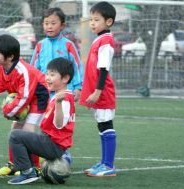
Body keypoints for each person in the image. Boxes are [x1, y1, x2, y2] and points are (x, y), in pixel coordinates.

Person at [0, 34, 49, 176]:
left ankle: (35, 166)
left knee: (27, 131)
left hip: (39, 97)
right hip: (24, 99)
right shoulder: (2, 68)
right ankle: (14, 164)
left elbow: (25, 96)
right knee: (15, 130)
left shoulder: (23, 71)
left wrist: (9, 111)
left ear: (10, 56)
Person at [7, 57, 75, 185]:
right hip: (54, 144)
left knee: (15, 135)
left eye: (52, 75)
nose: (47, 78)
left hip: (54, 146)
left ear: (65, 78)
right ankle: (31, 169)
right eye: (47, 74)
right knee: (25, 136)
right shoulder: (59, 96)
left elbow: (60, 124)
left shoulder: (63, 99)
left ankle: (27, 173)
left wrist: (59, 103)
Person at [79, 1, 117, 177]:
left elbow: (103, 69)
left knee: (106, 125)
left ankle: (108, 165)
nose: (92, 23)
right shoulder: (99, 39)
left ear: (108, 22)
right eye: (91, 19)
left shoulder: (106, 41)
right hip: (98, 92)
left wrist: (97, 92)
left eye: (96, 19)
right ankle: (104, 163)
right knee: (102, 126)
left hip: (103, 92)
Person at [30, 7, 83, 102]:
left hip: (64, 91)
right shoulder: (40, 45)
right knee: (46, 116)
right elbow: (33, 69)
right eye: (46, 23)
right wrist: (32, 86)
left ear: (62, 25)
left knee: (63, 116)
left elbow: (77, 66)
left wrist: (78, 87)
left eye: (53, 23)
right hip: (44, 91)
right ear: (42, 25)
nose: (49, 26)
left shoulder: (68, 45)